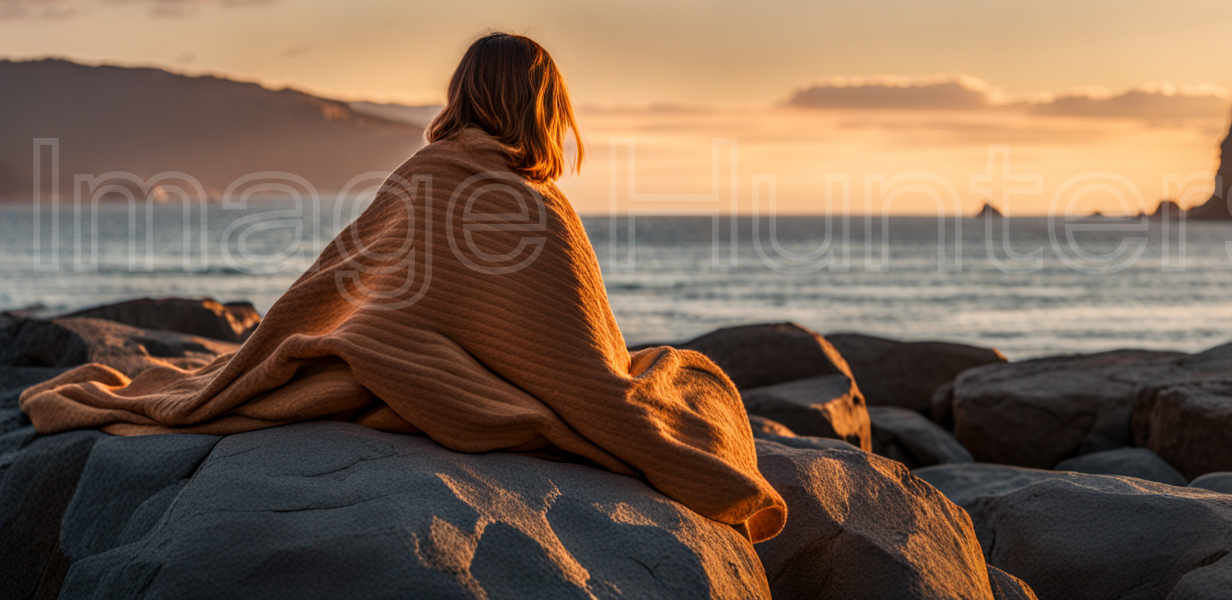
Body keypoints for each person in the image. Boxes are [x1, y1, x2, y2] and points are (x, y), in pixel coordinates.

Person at [20, 32, 786, 542]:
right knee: (682, 390)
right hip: (443, 377)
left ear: (464, 97)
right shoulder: (542, 205)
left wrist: (258, 356)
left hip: (421, 376)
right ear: (546, 111)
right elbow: (585, 364)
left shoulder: (423, 172)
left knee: (369, 337)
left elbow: (332, 285)